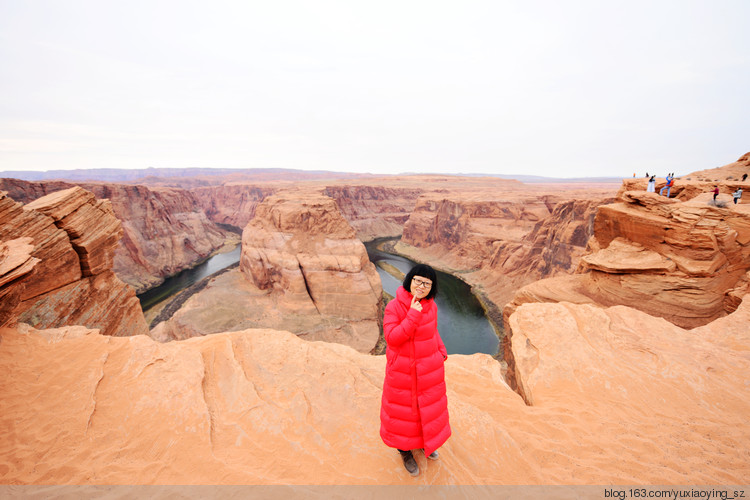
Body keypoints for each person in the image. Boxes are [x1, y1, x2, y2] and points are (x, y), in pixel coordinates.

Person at [380, 264, 451, 477]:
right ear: (410, 281)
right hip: (403, 373)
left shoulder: (432, 307)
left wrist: (441, 351)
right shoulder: (394, 307)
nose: (421, 286)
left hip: (428, 370)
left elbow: (433, 331)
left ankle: (424, 443)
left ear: (432, 288)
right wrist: (412, 314)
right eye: (418, 281)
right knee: (405, 414)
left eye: (427, 283)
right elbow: (392, 338)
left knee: (426, 412)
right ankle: (405, 451)